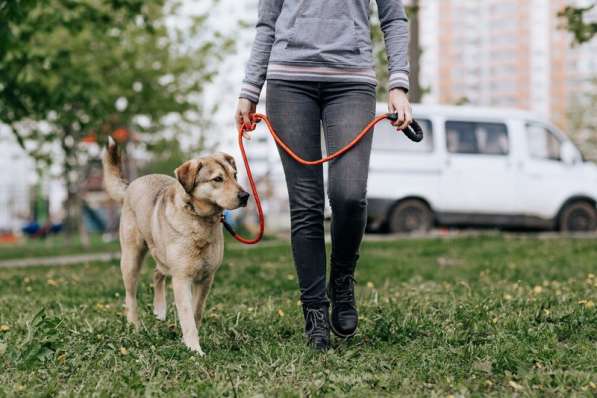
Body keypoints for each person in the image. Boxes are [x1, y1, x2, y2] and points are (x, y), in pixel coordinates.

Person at [236, 0, 412, 350]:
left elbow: (393, 17)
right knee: (306, 206)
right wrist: (249, 89)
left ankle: (342, 279)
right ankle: (314, 310)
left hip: (351, 80)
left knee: (349, 196)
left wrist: (398, 85)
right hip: (289, 81)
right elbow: (267, 22)